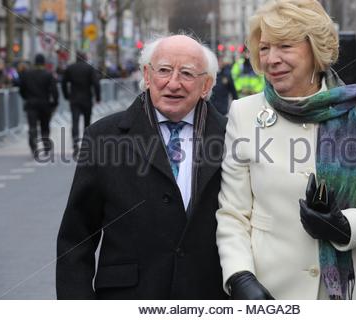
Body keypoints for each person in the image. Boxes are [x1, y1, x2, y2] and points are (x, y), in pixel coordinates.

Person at [216, 0, 356, 300]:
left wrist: (346, 226)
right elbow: (233, 214)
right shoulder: (243, 113)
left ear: (315, 49)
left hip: (346, 295)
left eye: (285, 46)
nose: (271, 59)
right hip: (269, 291)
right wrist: (240, 277)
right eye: (265, 48)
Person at [56, 34, 228, 299]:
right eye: (164, 70)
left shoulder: (233, 137)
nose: (173, 83)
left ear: (206, 85)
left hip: (210, 297)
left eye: (187, 73)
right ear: (147, 76)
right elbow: (76, 238)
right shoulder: (103, 137)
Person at [19, 54, 58, 158]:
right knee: (44, 126)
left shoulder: (27, 74)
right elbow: (54, 91)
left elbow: (21, 89)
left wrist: (26, 98)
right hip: (45, 104)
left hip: (31, 104)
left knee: (32, 126)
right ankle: (45, 144)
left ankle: (33, 144)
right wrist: (54, 104)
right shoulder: (48, 75)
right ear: (44, 62)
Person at [62, 51, 100, 156]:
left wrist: (66, 95)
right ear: (85, 58)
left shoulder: (70, 68)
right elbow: (96, 83)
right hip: (87, 98)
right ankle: (86, 145)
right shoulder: (89, 68)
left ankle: (75, 144)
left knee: (75, 121)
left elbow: (63, 82)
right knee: (87, 123)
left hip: (74, 98)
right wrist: (98, 97)